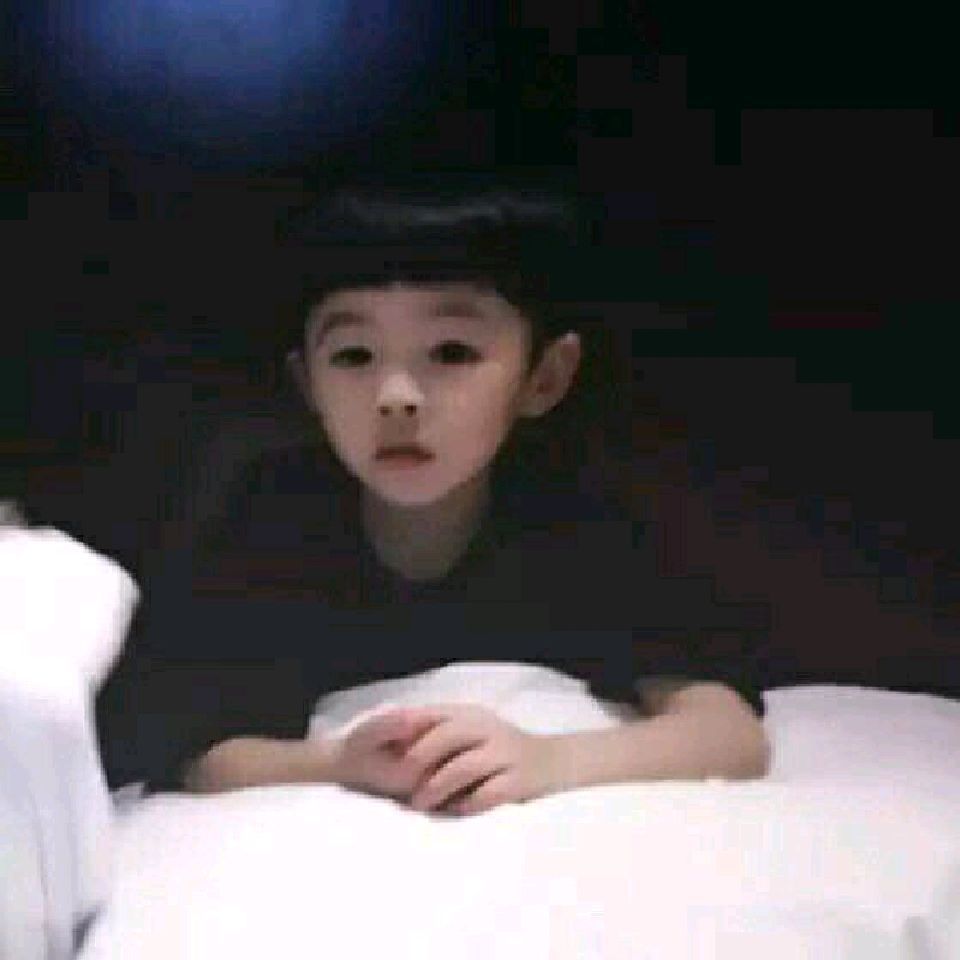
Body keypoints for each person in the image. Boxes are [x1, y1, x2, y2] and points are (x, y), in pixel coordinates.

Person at [95, 185, 771, 817]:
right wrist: (334, 764)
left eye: (451, 352)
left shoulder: (582, 516)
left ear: (544, 377)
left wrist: (548, 760)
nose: (396, 397)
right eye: (353, 356)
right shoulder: (272, 517)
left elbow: (729, 732)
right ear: (307, 383)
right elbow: (195, 753)